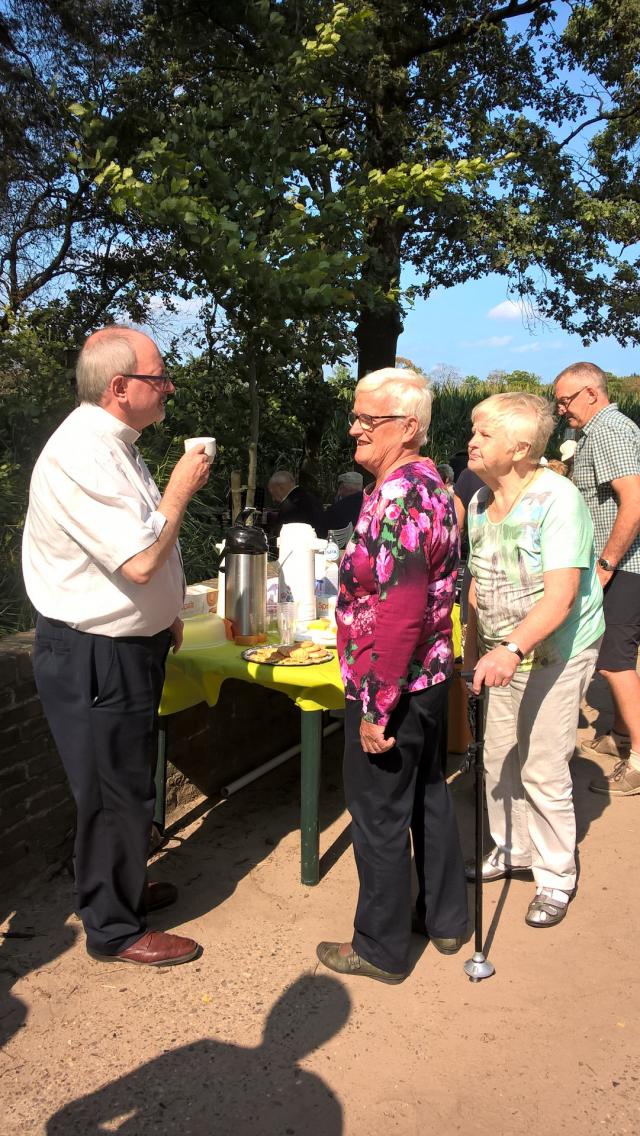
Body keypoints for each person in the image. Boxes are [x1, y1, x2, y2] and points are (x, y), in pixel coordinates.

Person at [22, 326, 211, 966]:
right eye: (159, 378)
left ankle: (118, 888)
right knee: (112, 793)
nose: (169, 389)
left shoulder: (114, 444)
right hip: (96, 654)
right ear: (119, 387)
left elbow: (137, 546)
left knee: (123, 784)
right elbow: (137, 561)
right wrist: (182, 487)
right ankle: (113, 928)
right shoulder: (82, 452)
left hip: (123, 646)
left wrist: (164, 617)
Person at [316, 367, 468, 984]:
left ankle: (378, 948)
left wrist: (377, 705)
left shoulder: (400, 495)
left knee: (378, 814)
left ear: (408, 429)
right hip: (428, 678)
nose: (354, 428)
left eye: (366, 419)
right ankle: (446, 918)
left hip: (393, 680)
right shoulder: (434, 483)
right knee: (429, 792)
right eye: (354, 416)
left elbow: (400, 610)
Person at [463, 392, 604, 927]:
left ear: (520, 448)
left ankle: (554, 876)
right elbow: (478, 582)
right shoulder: (479, 501)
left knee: (543, 767)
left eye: (484, 434)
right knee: (499, 758)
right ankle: (513, 848)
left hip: (556, 651)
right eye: (473, 431)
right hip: (503, 650)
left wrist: (512, 648)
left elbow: (561, 596)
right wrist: (473, 648)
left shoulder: (558, 499)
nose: (471, 442)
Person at [554, 362, 640, 797]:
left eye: (566, 400)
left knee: (614, 661)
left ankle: (639, 762)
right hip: (620, 564)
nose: (561, 408)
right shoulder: (589, 433)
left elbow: (635, 500)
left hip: (625, 566)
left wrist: (606, 564)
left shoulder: (608, 430)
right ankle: (621, 736)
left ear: (591, 392)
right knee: (617, 658)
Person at [267, 469, 327, 538]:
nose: (273, 499)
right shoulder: (311, 496)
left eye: (273, 493)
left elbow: (279, 535)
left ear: (280, 488)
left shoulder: (289, 507)